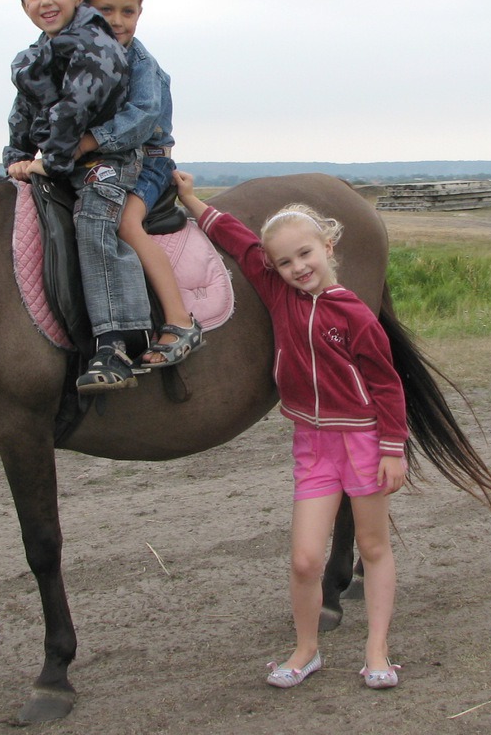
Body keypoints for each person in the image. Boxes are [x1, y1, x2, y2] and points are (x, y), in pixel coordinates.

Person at [173, 170, 409, 690]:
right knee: (304, 560)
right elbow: (237, 241)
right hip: (313, 445)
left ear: (328, 247)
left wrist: (393, 449)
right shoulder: (278, 294)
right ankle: (306, 650)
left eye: (305, 254)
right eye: (284, 262)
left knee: (374, 548)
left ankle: (377, 651)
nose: (298, 268)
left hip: (363, 442)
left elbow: (387, 385)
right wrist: (191, 199)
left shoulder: (355, 315)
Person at [4, 0, 151, 393]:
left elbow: (74, 107)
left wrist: (50, 160)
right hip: (61, 159)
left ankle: (117, 342)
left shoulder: (95, 45)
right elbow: (24, 108)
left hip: (106, 159)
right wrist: (14, 156)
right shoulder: (36, 55)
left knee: (94, 221)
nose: (45, 1)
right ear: (23, 4)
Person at [78, 0, 203, 366]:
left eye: (127, 11)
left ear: (140, 12)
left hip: (148, 162)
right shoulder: (84, 56)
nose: (117, 20)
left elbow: (141, 119)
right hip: (105, 160)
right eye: (106, 10)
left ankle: (179, 318)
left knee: (125, 223)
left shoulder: (142, 65)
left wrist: (87, 142)